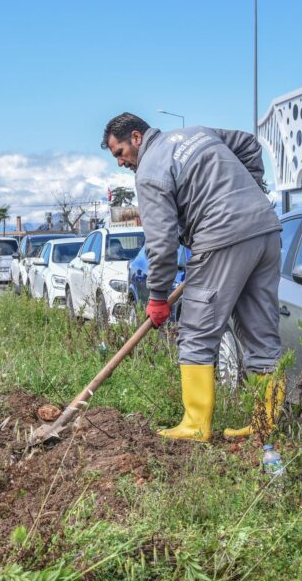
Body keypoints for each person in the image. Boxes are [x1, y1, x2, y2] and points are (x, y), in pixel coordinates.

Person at [101, 112, 282, 442]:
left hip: (221, 236)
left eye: (120, 153)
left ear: (136, 138)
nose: (121, 163)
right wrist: (249, 189)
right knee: (260, 330)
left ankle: (195, 425)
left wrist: (157, 297)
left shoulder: (151, 172)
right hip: (265, 228)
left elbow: (161, 243)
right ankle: (264, 425)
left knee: (197, 331)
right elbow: (249, 144)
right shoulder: (196, 133)